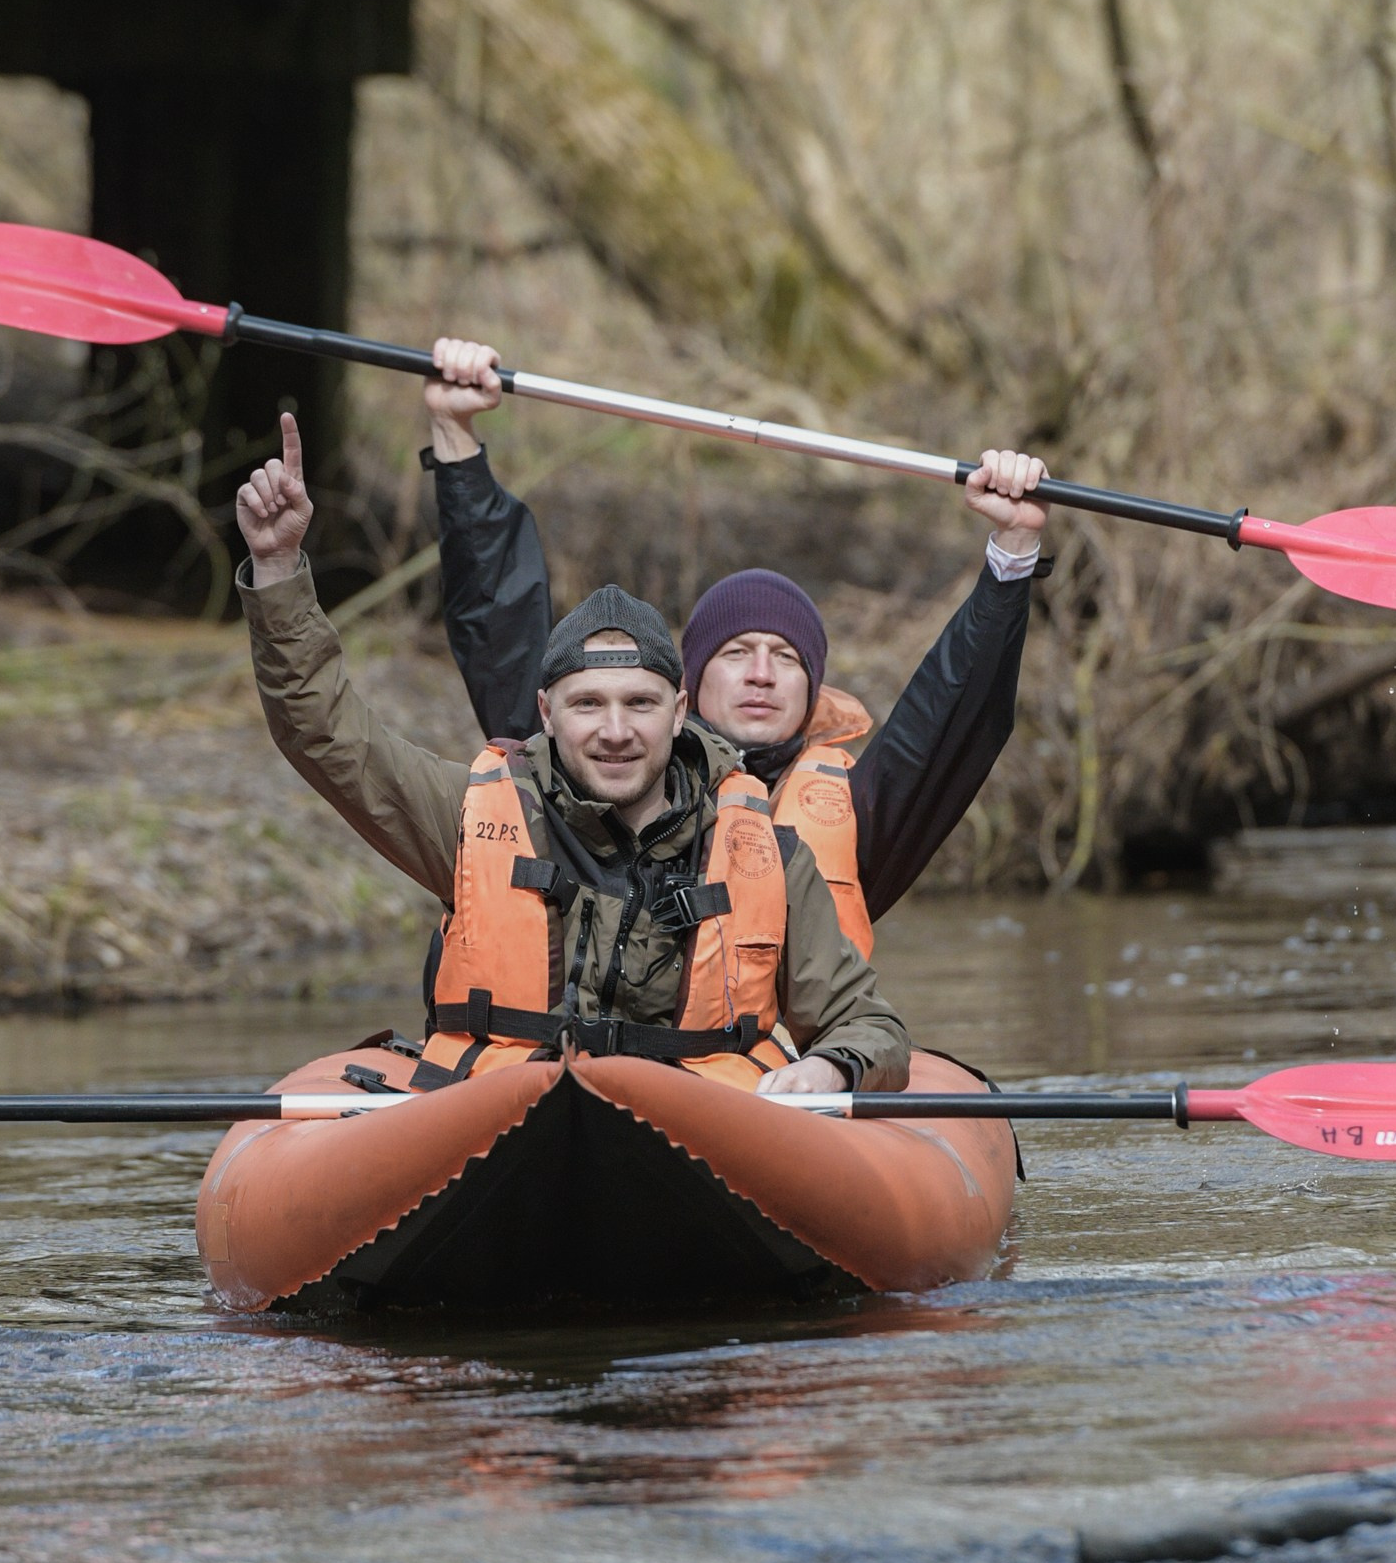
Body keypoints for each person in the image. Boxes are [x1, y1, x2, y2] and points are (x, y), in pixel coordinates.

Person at [234, 411, 911, 1099]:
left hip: (699, 1132)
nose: (615, 731)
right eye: (588, 704)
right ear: (548, 715)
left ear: (679, 712)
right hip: (501, 1118)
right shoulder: (466, 815)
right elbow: (319, 728)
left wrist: (827, 1066)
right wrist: (278, 567)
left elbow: (867, 1023)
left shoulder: (770, 852)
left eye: (640, 704)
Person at [417, 338, 1051, 953]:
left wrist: (1013, 554)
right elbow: (503, 634)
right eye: (736, 652)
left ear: (813, 691)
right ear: (686, 692)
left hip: (773, 1059)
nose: (762, 675)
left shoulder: (857, 812)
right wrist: (456, 439)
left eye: (786, 659)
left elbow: (948, 720)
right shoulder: (607, 758)